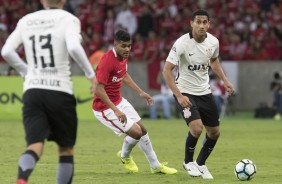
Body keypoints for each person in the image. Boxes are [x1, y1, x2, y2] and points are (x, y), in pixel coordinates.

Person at [1, 0, 96, 183]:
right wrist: (90, 74)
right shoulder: (69, 19)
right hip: (59, 89)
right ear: (64, 1)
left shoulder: (26, 20)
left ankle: (22, 178)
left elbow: (6, 51)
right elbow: (75, 47)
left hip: (33, 90)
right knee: (65, 149)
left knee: (35, 145)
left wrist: (25, 71)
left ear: (42, 0)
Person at [92, 29, 177, 175]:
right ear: (115, 44)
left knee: (143, 130)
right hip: (104, 108)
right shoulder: (107, 61)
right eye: (123, 46)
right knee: (136, 132)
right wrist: (115, 110)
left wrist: (141, 92)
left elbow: (123, 74)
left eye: (129, 46)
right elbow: (98, 89)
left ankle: (155, 166)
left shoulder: (123, 57)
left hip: (118, 101)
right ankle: (124, 156)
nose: (127, 49)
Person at [163, 9, 235, 179]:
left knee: (215, 132)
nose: (202, 26)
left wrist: (225, 81)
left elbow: (214, 62)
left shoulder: (213, 42)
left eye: (205, 22)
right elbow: (166, 71)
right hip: (185, 92)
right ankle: (188, 162)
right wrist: (179, 96)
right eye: (198, 22)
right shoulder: (181, 43)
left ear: (209, 24)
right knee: (196, 128)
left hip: (204, 92)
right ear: (191, 23)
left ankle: (200, 164)